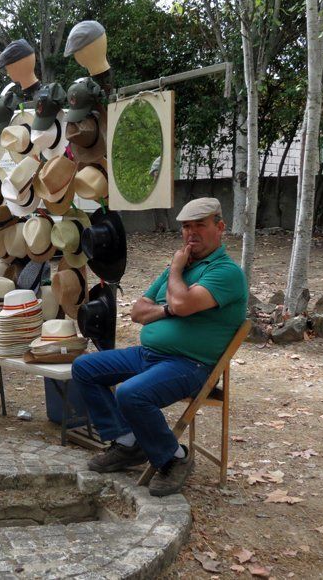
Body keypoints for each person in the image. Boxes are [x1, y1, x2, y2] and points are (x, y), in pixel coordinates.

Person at [71, 197, 247, 496]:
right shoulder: (179, 267)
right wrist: (168, 310)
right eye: (186, 227)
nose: (191, 233)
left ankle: (174, 458)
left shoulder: (226, 272)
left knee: (131, 392)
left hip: (190, 365)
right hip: (149, 355)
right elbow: (138, 312)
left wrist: (176, 274)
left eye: (200, 226)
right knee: (84, 367)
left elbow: (180, 301)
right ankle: (128, 442)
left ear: (219, 228)